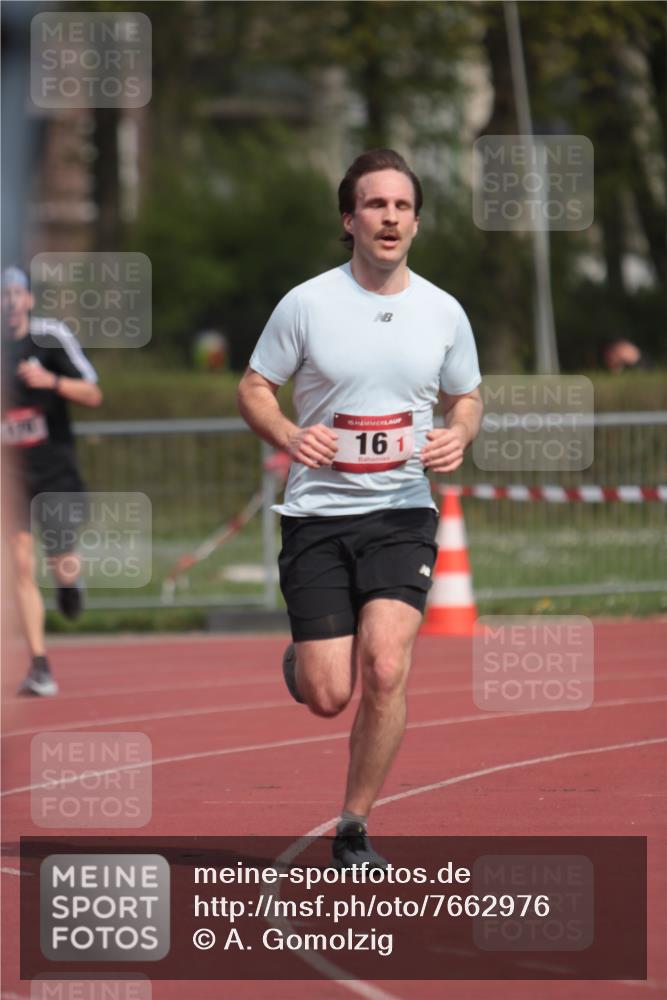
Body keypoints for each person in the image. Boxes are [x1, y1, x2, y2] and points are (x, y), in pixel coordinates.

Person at [237, 149, 483, 867]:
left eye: (402, 206)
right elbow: (254, 387)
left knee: (385, 666)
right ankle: (309, 662)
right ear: (349, 220)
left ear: (414, 221)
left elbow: (466, 394)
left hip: (400, 512)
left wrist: (458, 433)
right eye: (375, 205)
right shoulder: (307, 304)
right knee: (328, 694)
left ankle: (352, 826)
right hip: (316, 516)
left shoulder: (442, 311)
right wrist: (287, 433)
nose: (390, 217)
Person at [1, 266, 102, 696]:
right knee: (20, 564)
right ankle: (40, 665)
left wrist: (51, 381)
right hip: (11, 476)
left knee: (60, 555)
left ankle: (68, 583)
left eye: (15, 294)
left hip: (54, 470)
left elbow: (94, 393)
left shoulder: (49, 337)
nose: (9, 303)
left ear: (28, 299)